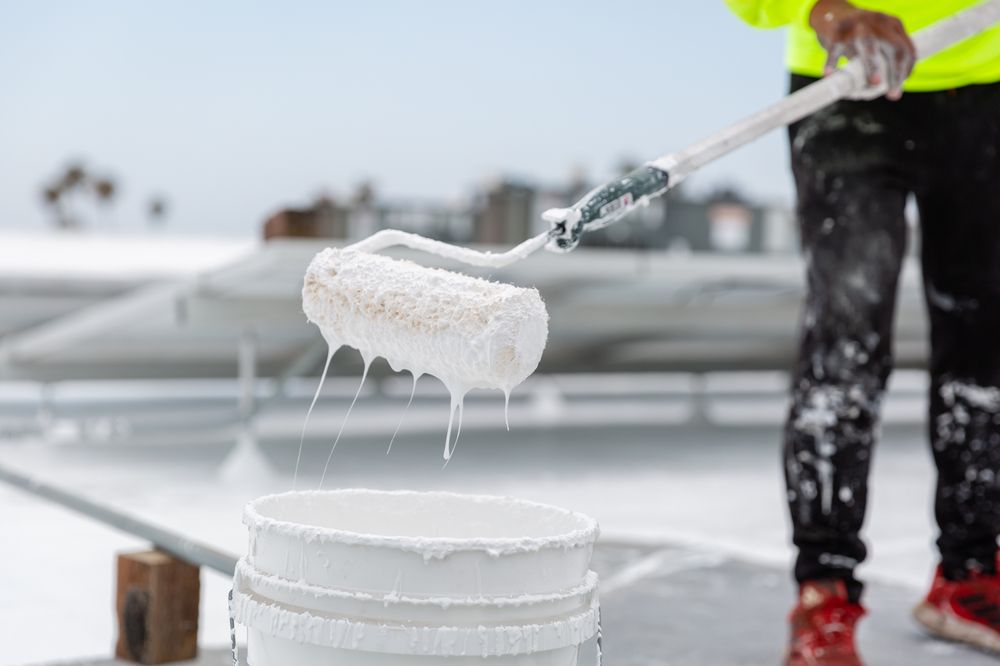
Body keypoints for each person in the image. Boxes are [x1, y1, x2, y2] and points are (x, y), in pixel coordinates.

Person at [724, 1, 1000, 664]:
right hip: (846, 82)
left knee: (984, 349)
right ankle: (825, 588)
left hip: (986, 81)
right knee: (845, 348)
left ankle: (970, 577)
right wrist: (822, 9)